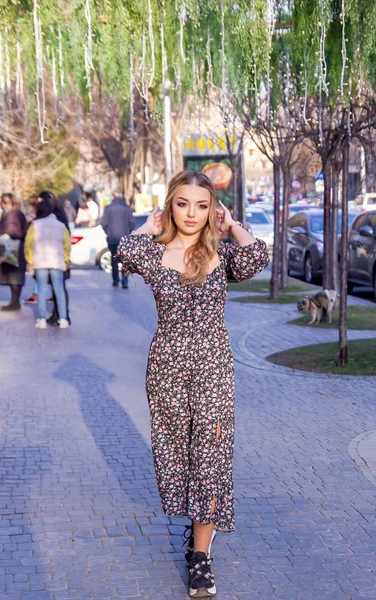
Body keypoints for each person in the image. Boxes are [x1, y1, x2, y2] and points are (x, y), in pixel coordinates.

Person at [115, 169, 269, 598]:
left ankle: (201, 559)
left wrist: (232, 224)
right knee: (177, 455)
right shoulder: (155, 252)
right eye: (183, 203)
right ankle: (194, 531)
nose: (191, 213)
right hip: (166, 368)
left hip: (213, 368)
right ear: (170, 205)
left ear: (212, 210)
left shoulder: (221, 255)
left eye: (202, 206)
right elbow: (125, 252)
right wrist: (150, 225)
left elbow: (258, 255)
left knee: (211, 457)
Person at [24, 196, 71, 329]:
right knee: (59, 290)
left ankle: (42, 319)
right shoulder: (61, 225)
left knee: (42, 290)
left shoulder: (34, 225)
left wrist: (30, 260)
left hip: (40, 260)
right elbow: (67, 244)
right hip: (57, 260)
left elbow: (28, 244)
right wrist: (66, 259)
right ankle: (63, 319)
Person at [0, 193, 28, 311]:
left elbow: (18, 231)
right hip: (10, 249)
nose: (2, 205)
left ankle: (15, 302)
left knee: (15, 277)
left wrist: (7, 234)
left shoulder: (15, 214)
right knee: (11, 277)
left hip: (14, 249)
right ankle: (14, 302)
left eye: (4, 203)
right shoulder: (10, 213)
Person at [100, 188, 134, 289]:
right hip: (125, 239)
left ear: (113, 196)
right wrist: (127, 231)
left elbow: (104, 223)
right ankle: (125, 281)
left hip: (112, 238)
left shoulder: (108, 208)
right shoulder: (127, 208)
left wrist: (108, 232)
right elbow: (132, 223)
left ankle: (115, 280)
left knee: (114, 260)